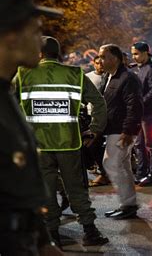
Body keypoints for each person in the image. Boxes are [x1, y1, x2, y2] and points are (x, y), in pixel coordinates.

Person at [17, 36, 109, 248]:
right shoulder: (75, 74)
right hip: (69, 143)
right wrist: (94, 130)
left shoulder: (23, 75)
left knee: (46, 191)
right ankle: (89, 231)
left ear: (38, 53)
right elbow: (99, 103)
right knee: (76, 189)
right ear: (56, 53)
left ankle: (52, 235)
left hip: (38, 145)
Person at [0, 0, 63, 256]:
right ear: (12, 37)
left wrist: (42, 240)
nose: (42, 41)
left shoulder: (7, 92)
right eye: (36, 31)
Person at [99, 44, 143, 219]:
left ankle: (128, 204)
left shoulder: (127, 78)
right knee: (122, 166)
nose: (100, 61)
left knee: (110, 163)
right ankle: (128, 204)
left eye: (103, 57)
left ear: (114, 58)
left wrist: (128, 131)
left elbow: (135, 106)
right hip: (113, 129)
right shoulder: (108, 77)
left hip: (121, 130)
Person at [131, 41, 152, 186]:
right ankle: (141, 174)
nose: (134, 57)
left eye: (136, 54)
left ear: (145, 53)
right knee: (139, 144)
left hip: (149, 113)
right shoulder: (140, 68)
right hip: (141, 112)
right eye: (133, 54)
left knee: (150, 144)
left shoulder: (151, 70)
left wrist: (141, 102)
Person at [85, 55, 110, 187]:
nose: (100, 65)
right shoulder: (88, 77)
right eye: (97, 63)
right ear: (93, 64)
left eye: (102, 63)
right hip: (90, 115)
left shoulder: (109, 77)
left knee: (97, 144)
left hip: (105, 116)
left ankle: (104, 172)